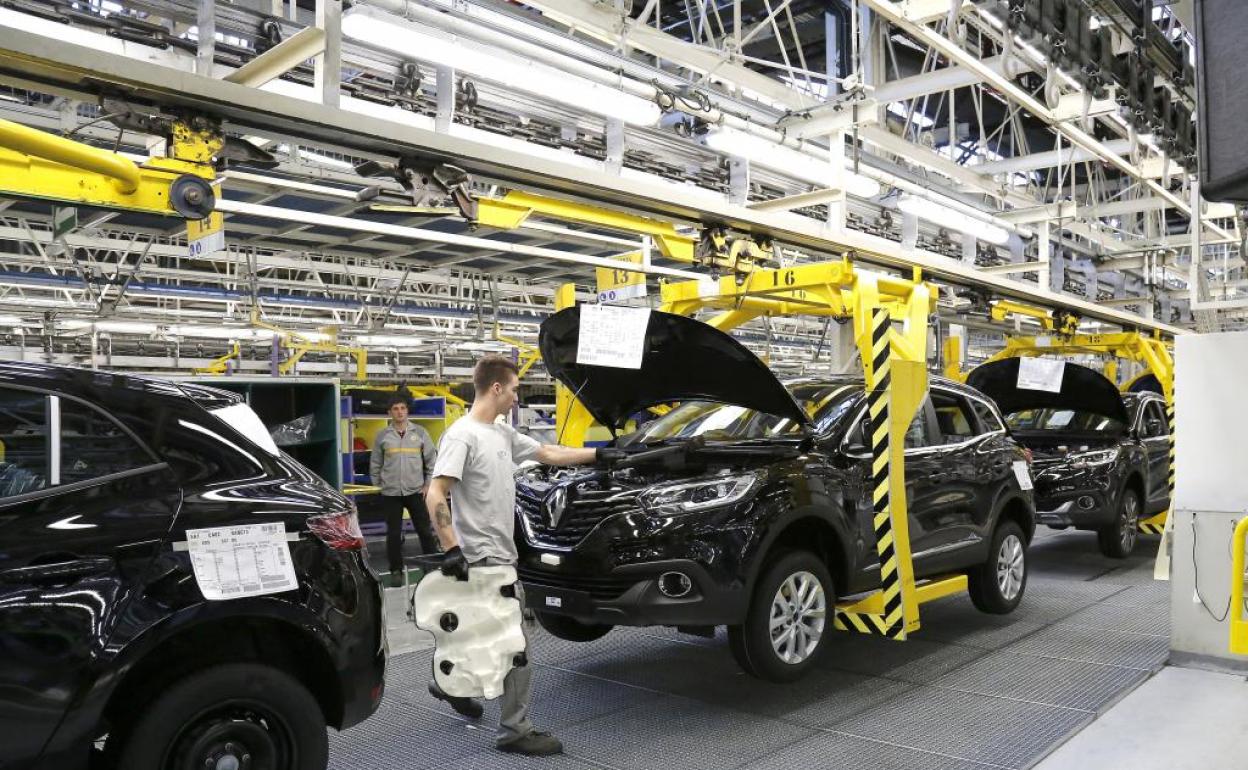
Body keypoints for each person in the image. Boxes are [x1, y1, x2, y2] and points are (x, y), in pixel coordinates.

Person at [424, 355, 618, 756]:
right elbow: (435, 493)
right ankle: (515, 729)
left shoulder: (500, 432)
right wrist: (451, 549)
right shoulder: (463, 436)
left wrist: (598, 456)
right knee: (515, 647)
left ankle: (449, 683)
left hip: (501, 555)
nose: (516, 397)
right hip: (482, 560)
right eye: (514, 389)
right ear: (496, 388)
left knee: (479, 634)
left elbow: (547, 453)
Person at [370, 396, 439, 584]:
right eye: (395, 409)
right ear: (389, 413)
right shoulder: (383, 436)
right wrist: (379, 484)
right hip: (391, 493)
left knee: (424, 531)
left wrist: (427, 485)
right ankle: (396, 570)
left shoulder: (421, 433)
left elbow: (431, 461)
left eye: (402, 408)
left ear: (407, 411)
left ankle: (431, 566)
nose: (399, 412)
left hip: (415, 491)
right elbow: (375, 462)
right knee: (393, 533)